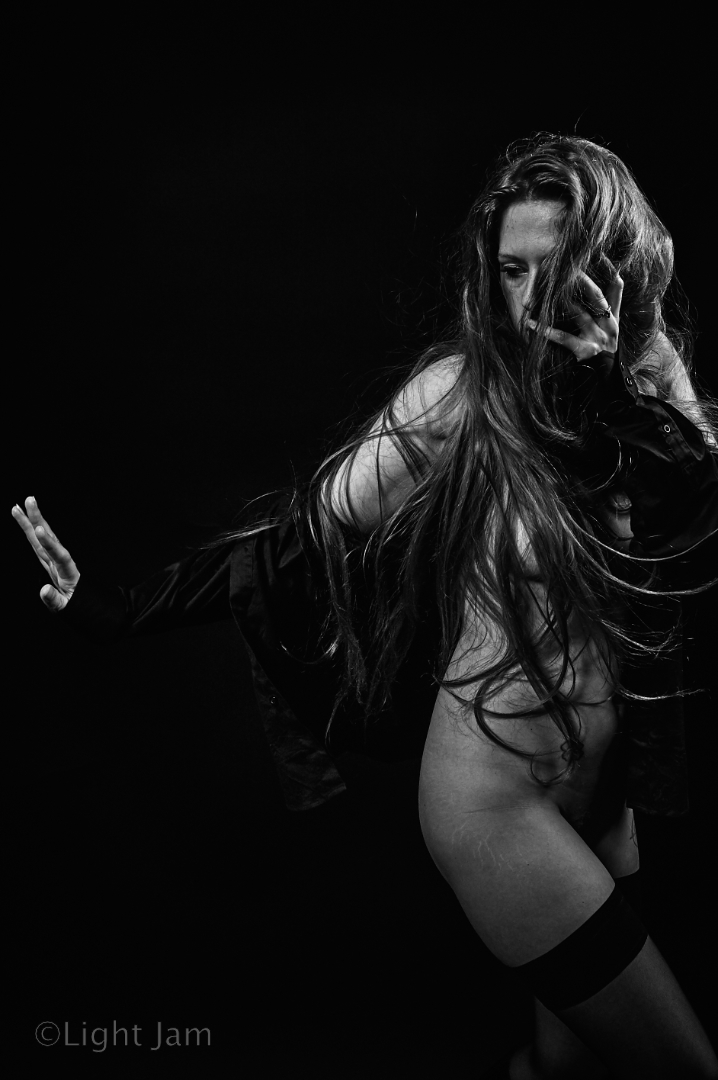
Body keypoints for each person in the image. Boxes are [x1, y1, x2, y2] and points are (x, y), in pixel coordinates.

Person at [13, 133, 718, 1078]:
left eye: (552, 269)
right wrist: (119, 608)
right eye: (509, 271)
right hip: (497, 797)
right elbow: (301, 540)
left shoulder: (650, 381)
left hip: (599, 797)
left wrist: (607, 391)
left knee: (566, 1069)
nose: (526, 300)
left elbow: (690, 515)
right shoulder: (462, 397)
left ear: (610, 264)